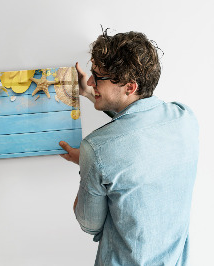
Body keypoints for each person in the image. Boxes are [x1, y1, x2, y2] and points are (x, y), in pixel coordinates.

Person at [59, 30, 199, 265]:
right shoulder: (185, 118)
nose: (91, 81)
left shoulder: (96, 149)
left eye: (98, 77)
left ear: (130, 87)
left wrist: (87, 163)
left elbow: (88, 224)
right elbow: (138, 124)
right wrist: (90, 93)